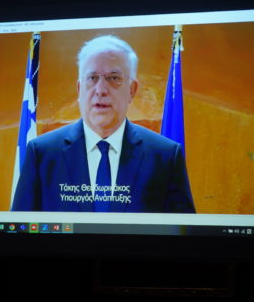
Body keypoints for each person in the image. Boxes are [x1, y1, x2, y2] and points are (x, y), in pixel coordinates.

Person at [11, 35, 195, 213]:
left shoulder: (165, 156)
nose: (100, 90)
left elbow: (182, 229)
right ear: (79, 89)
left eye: (113, 78)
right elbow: (19, 226)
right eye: (92, 78)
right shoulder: (42, 153)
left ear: (132, 90)